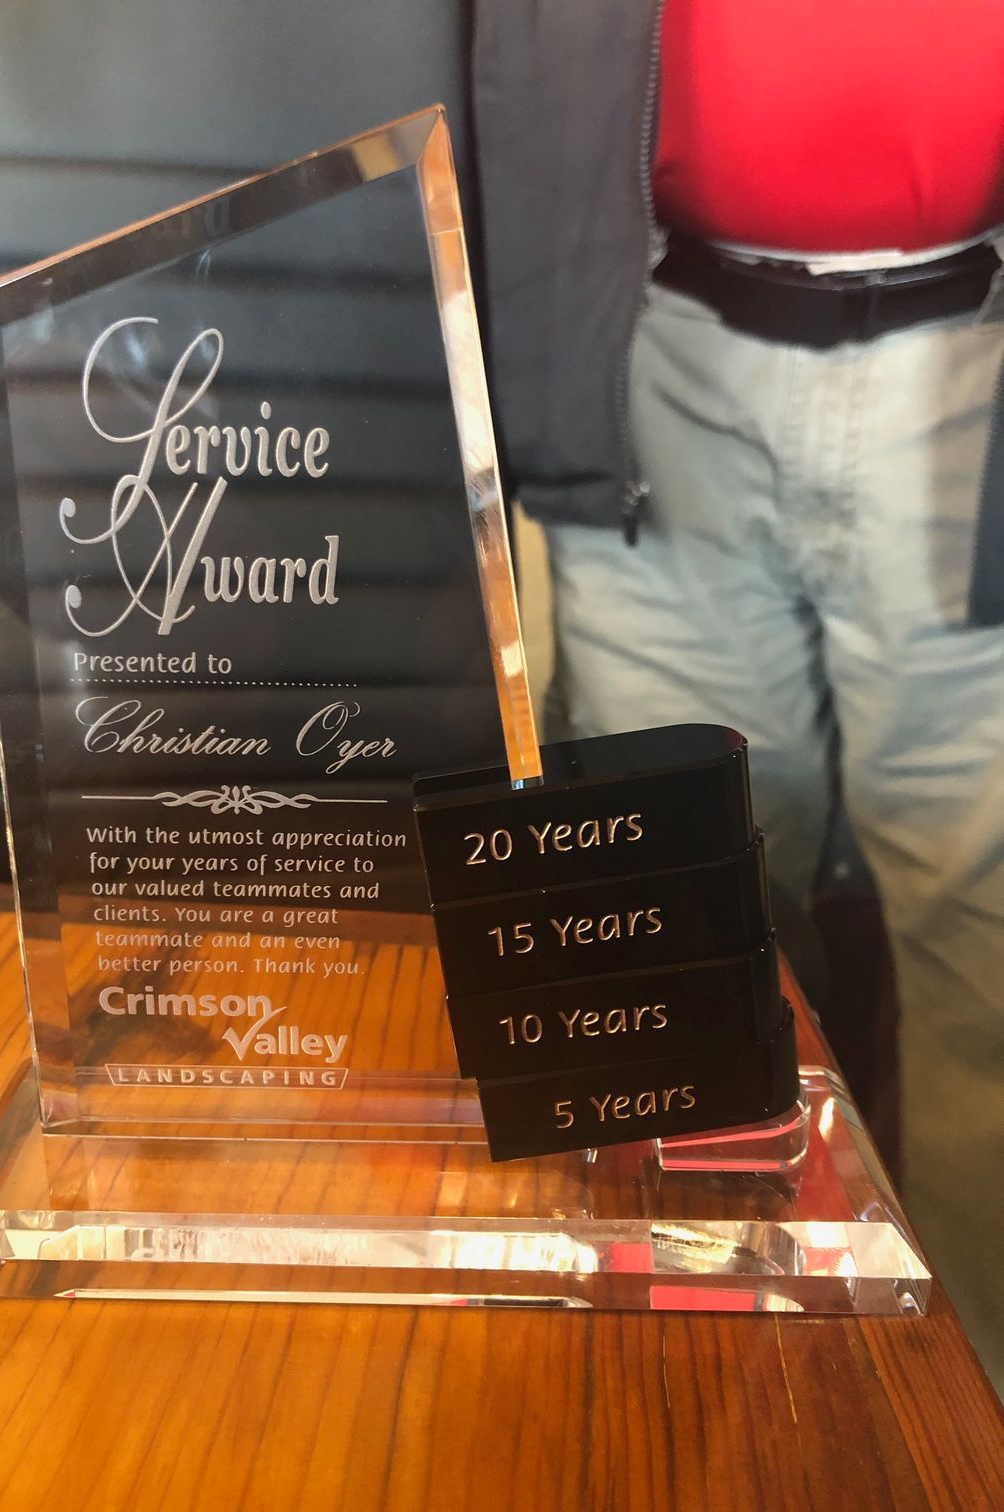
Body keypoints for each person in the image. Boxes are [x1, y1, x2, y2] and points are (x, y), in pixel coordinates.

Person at [473, 0, 1004, 1385]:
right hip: (647, 346)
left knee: (990, 947)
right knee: (681, 933)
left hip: (980, 362)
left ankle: (964, 1419)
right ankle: (701, 1406)